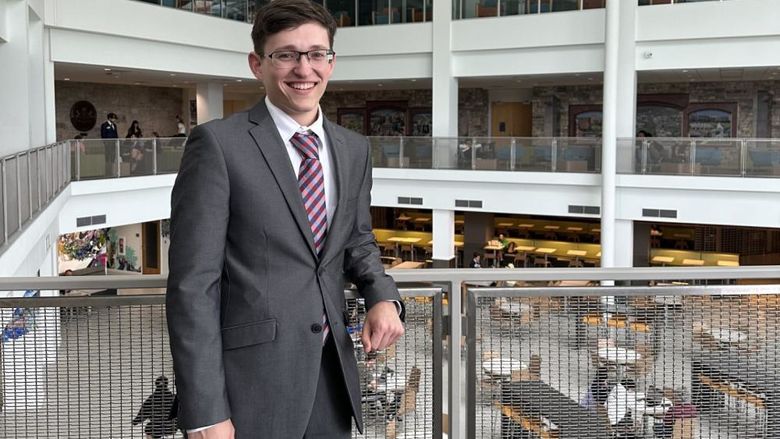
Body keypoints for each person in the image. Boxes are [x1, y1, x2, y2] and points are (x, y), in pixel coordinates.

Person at [166, 1, 405, 437]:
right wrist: (204, 410)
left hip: (332, 376)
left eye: (317, 54)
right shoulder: (218, 145)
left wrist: (381, 295)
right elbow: (192, 285)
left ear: (331, 62)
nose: (304, 69)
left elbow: (358, 240)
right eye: (286, 54)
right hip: (249, 386)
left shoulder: (353, 149)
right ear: (258, 64)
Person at [100, 112, 119, 177]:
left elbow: (116, 134)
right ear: (110, 118)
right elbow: (103, 135)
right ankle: (108, 173)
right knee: (108, 157)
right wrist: (105, 143)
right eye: (113, 118)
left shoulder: (114, 125)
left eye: (115, 119)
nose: (114, 120)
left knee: (113, 156)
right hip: (108, 144)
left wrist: (117, 141)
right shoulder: (104, 125)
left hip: (113, 143)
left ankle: (113, 172)